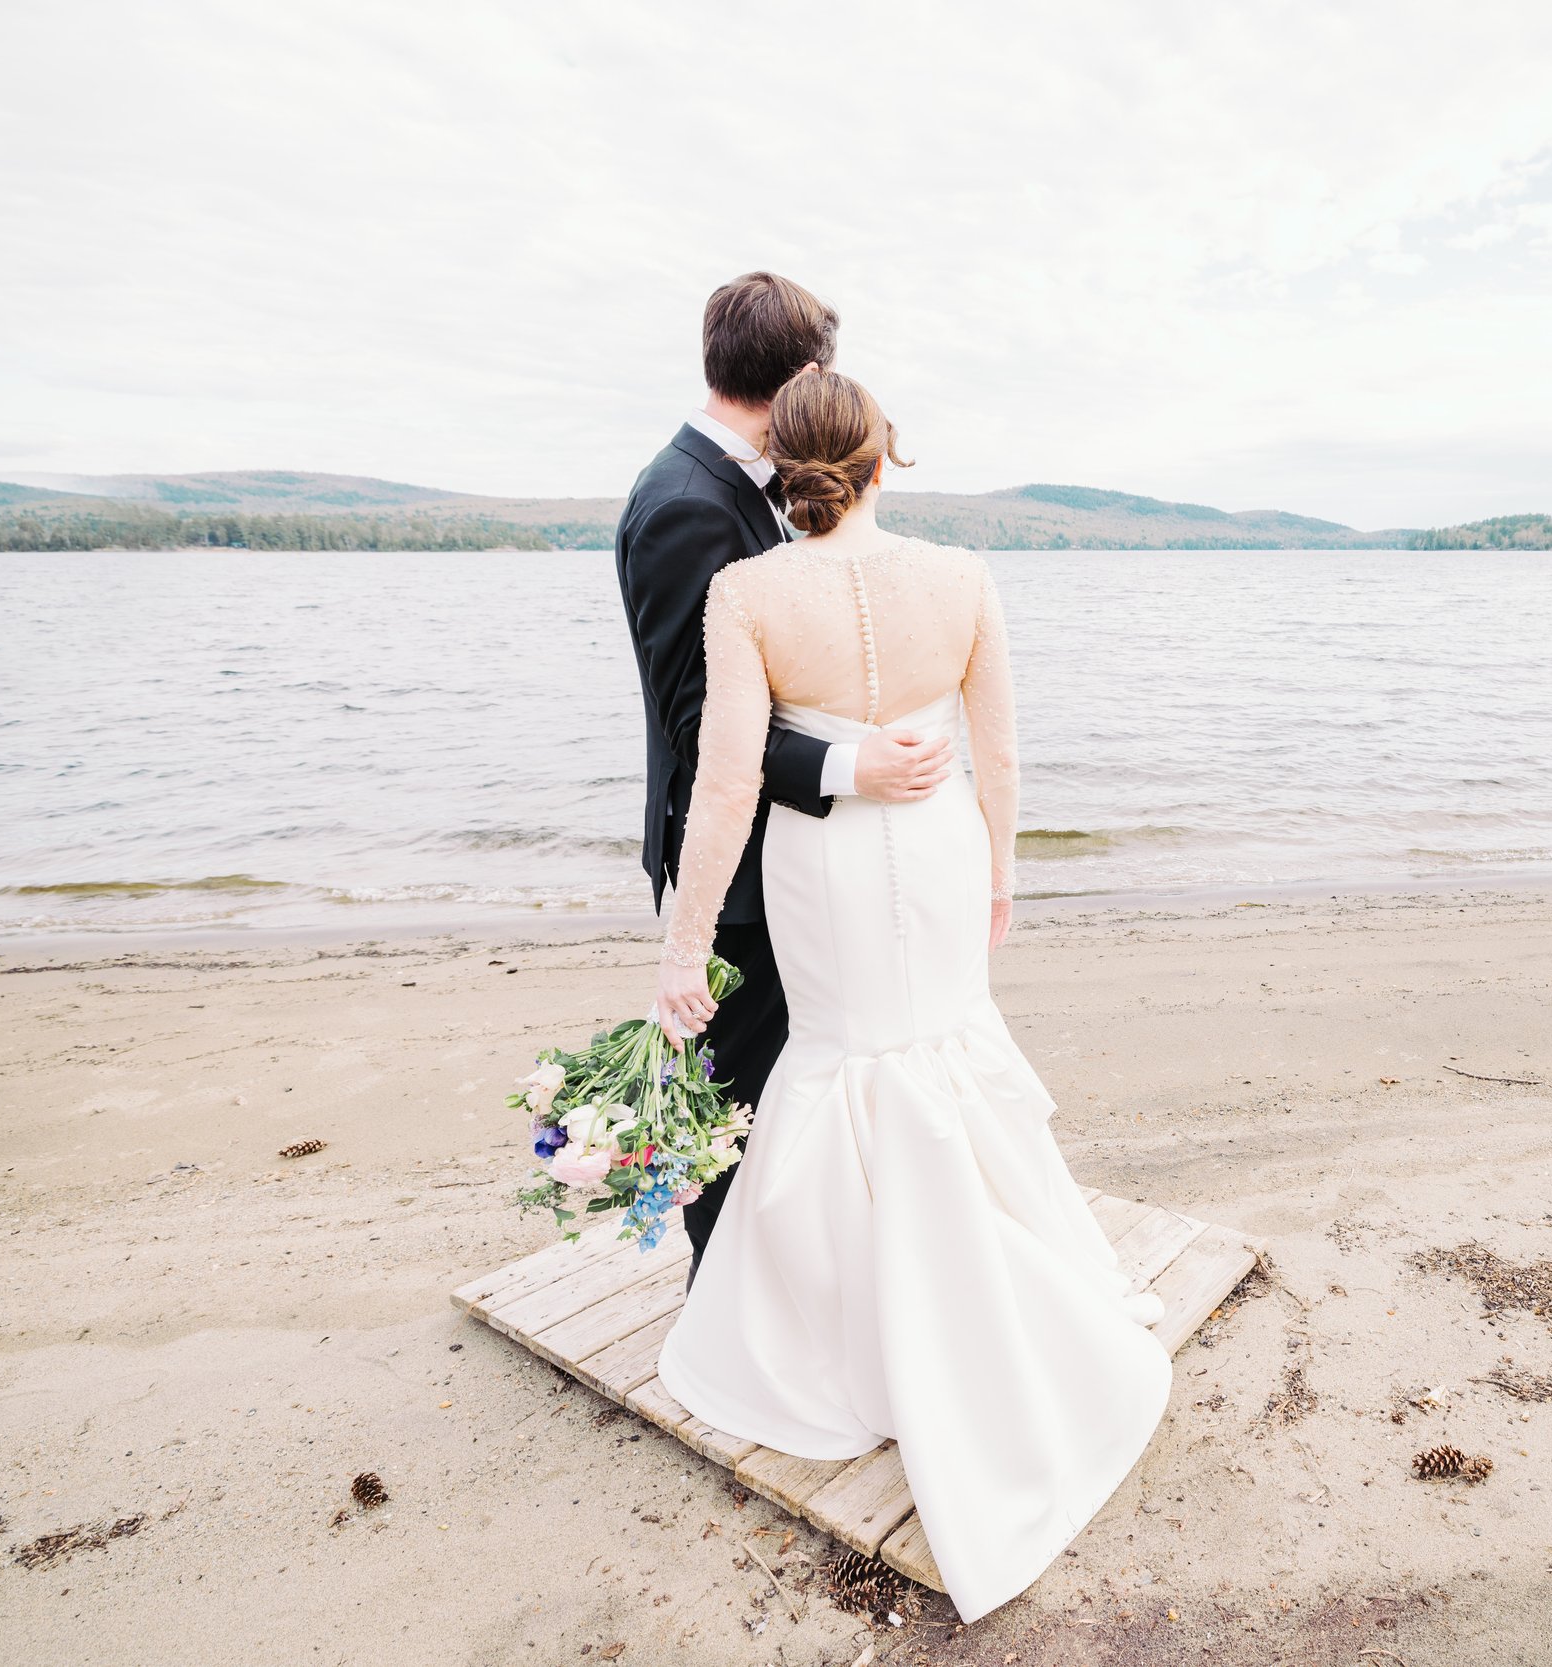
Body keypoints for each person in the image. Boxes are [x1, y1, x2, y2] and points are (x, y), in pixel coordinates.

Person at [647, 367, 1170, 1621]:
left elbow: (725, 788)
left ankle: (851, 1333)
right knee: (942, 1043)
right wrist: (1000, 872)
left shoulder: (744, 592)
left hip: (824, 858)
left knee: (837, 1057)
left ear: (787, 467)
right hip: (934, 847)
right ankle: (988, 1288)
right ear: (884, 459)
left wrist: (681, 949)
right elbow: (997, 751)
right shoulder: (966, 579)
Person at [614, 272, 952, 1285]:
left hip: (789, 852)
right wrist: (849, 764)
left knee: (780, 1081)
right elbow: (698, 721)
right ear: (805, 374)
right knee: (729, 1091)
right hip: (740, 868)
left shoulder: (734, 490)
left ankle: (780, 1278)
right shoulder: (686, 506)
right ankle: (718, 1294)